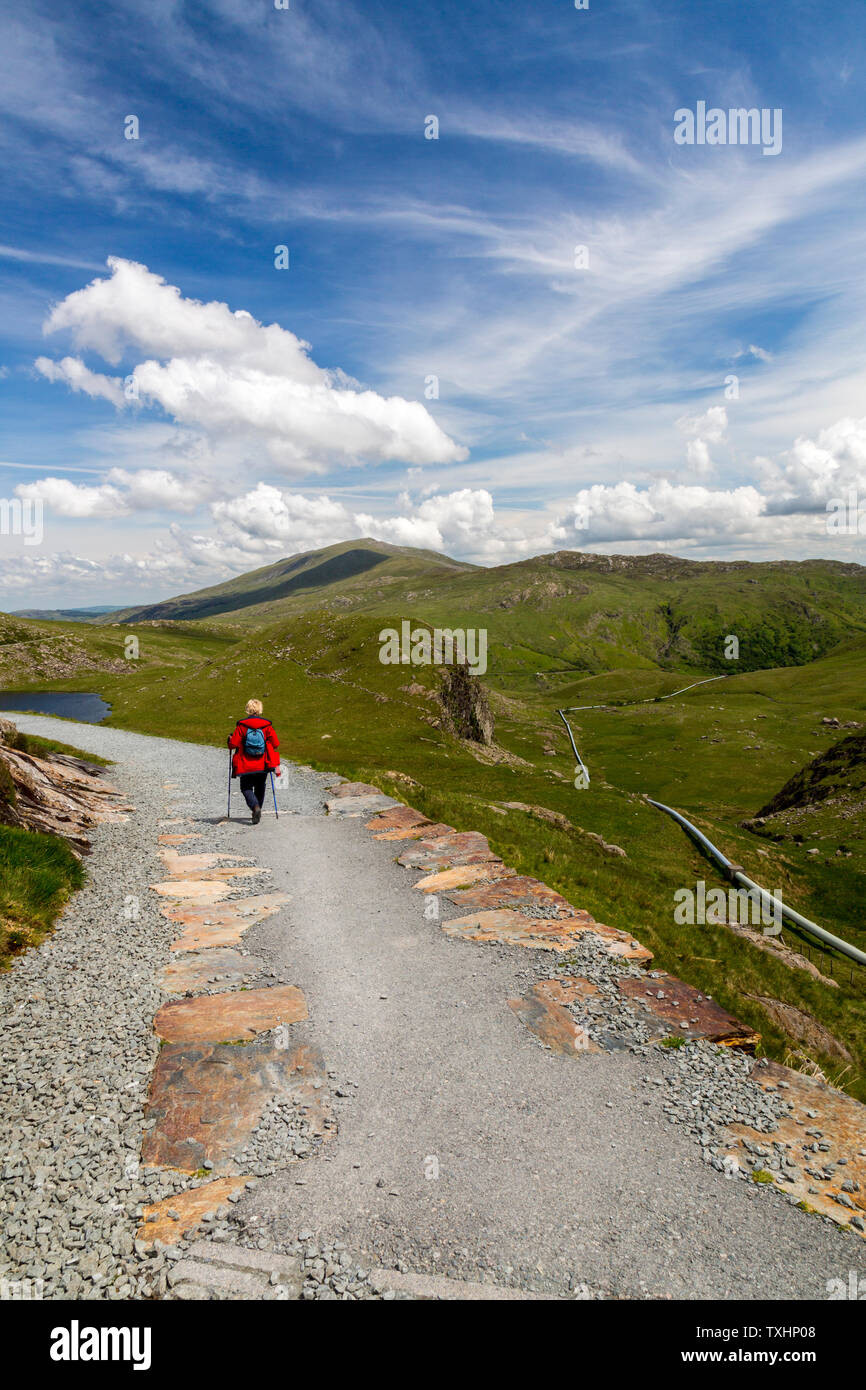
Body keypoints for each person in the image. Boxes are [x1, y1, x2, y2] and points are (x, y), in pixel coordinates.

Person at [228, 699, 280, 824]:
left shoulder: (242, 725)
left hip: (245, 764)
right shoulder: (267, 725)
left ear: (248, 709)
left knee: (246, 787)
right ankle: (258, 809)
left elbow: (233, 744)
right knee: (260, 786)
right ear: (260, 710)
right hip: (262, 764)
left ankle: (255, 807)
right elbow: (276, 744)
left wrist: (229, 739)